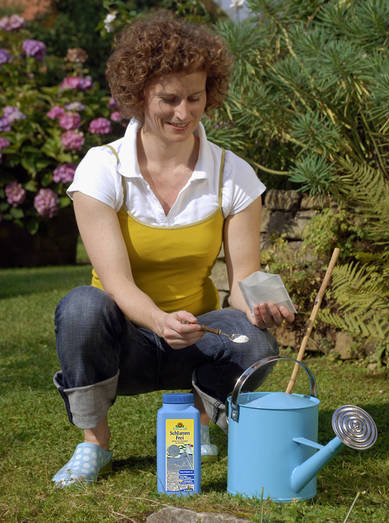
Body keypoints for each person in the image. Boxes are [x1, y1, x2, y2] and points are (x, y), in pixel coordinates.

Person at [52, 11, 295, 488]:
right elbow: (117, 283)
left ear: (211, 93)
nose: (183, 113)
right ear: (139, 94)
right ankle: (93, 444)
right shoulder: (101, 169)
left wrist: (266, 302)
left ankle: (199, 428)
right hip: (125, 343)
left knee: (257, 341)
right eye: (169, 99)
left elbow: (246, 278)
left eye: (195, 97)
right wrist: (160, 321)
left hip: (198, 333)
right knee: (81, 306)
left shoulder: (234, 174)